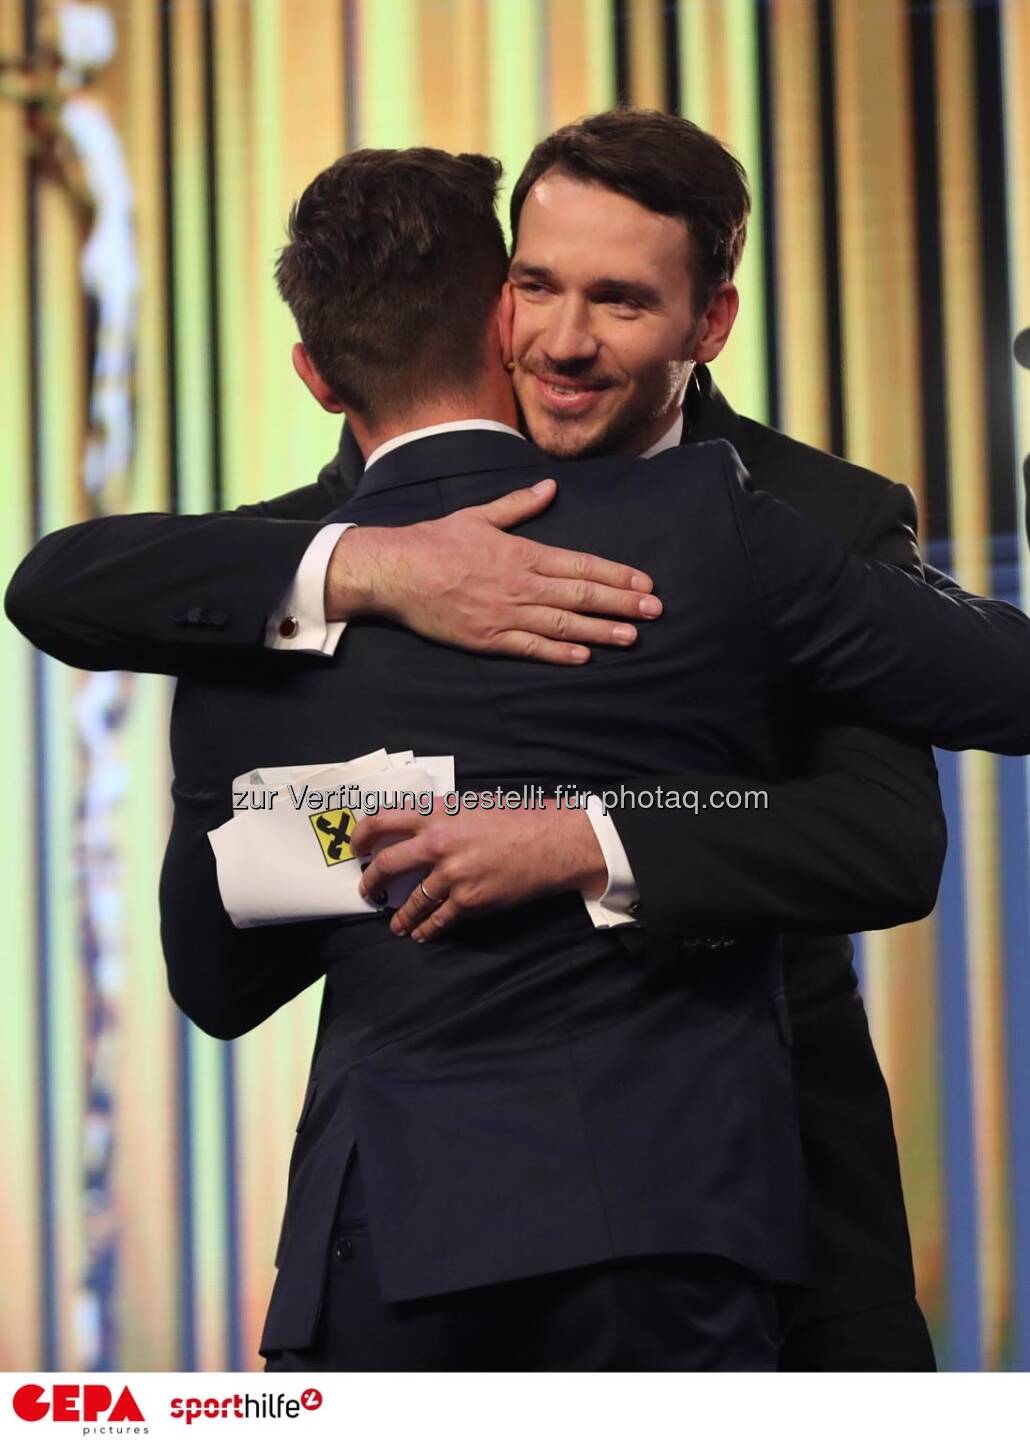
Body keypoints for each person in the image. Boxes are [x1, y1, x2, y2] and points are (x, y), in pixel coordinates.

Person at [4, 109, 1015, 1369]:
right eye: (533, 286)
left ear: (709, 325)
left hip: (768, 1220)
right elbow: (59, 590)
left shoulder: (798, 517)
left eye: (619, 300)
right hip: (413, 1233)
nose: (563, 341)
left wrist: (585, 838)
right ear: (490, 303)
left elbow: (881, 834)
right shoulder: (307, 552)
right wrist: (375, 584)